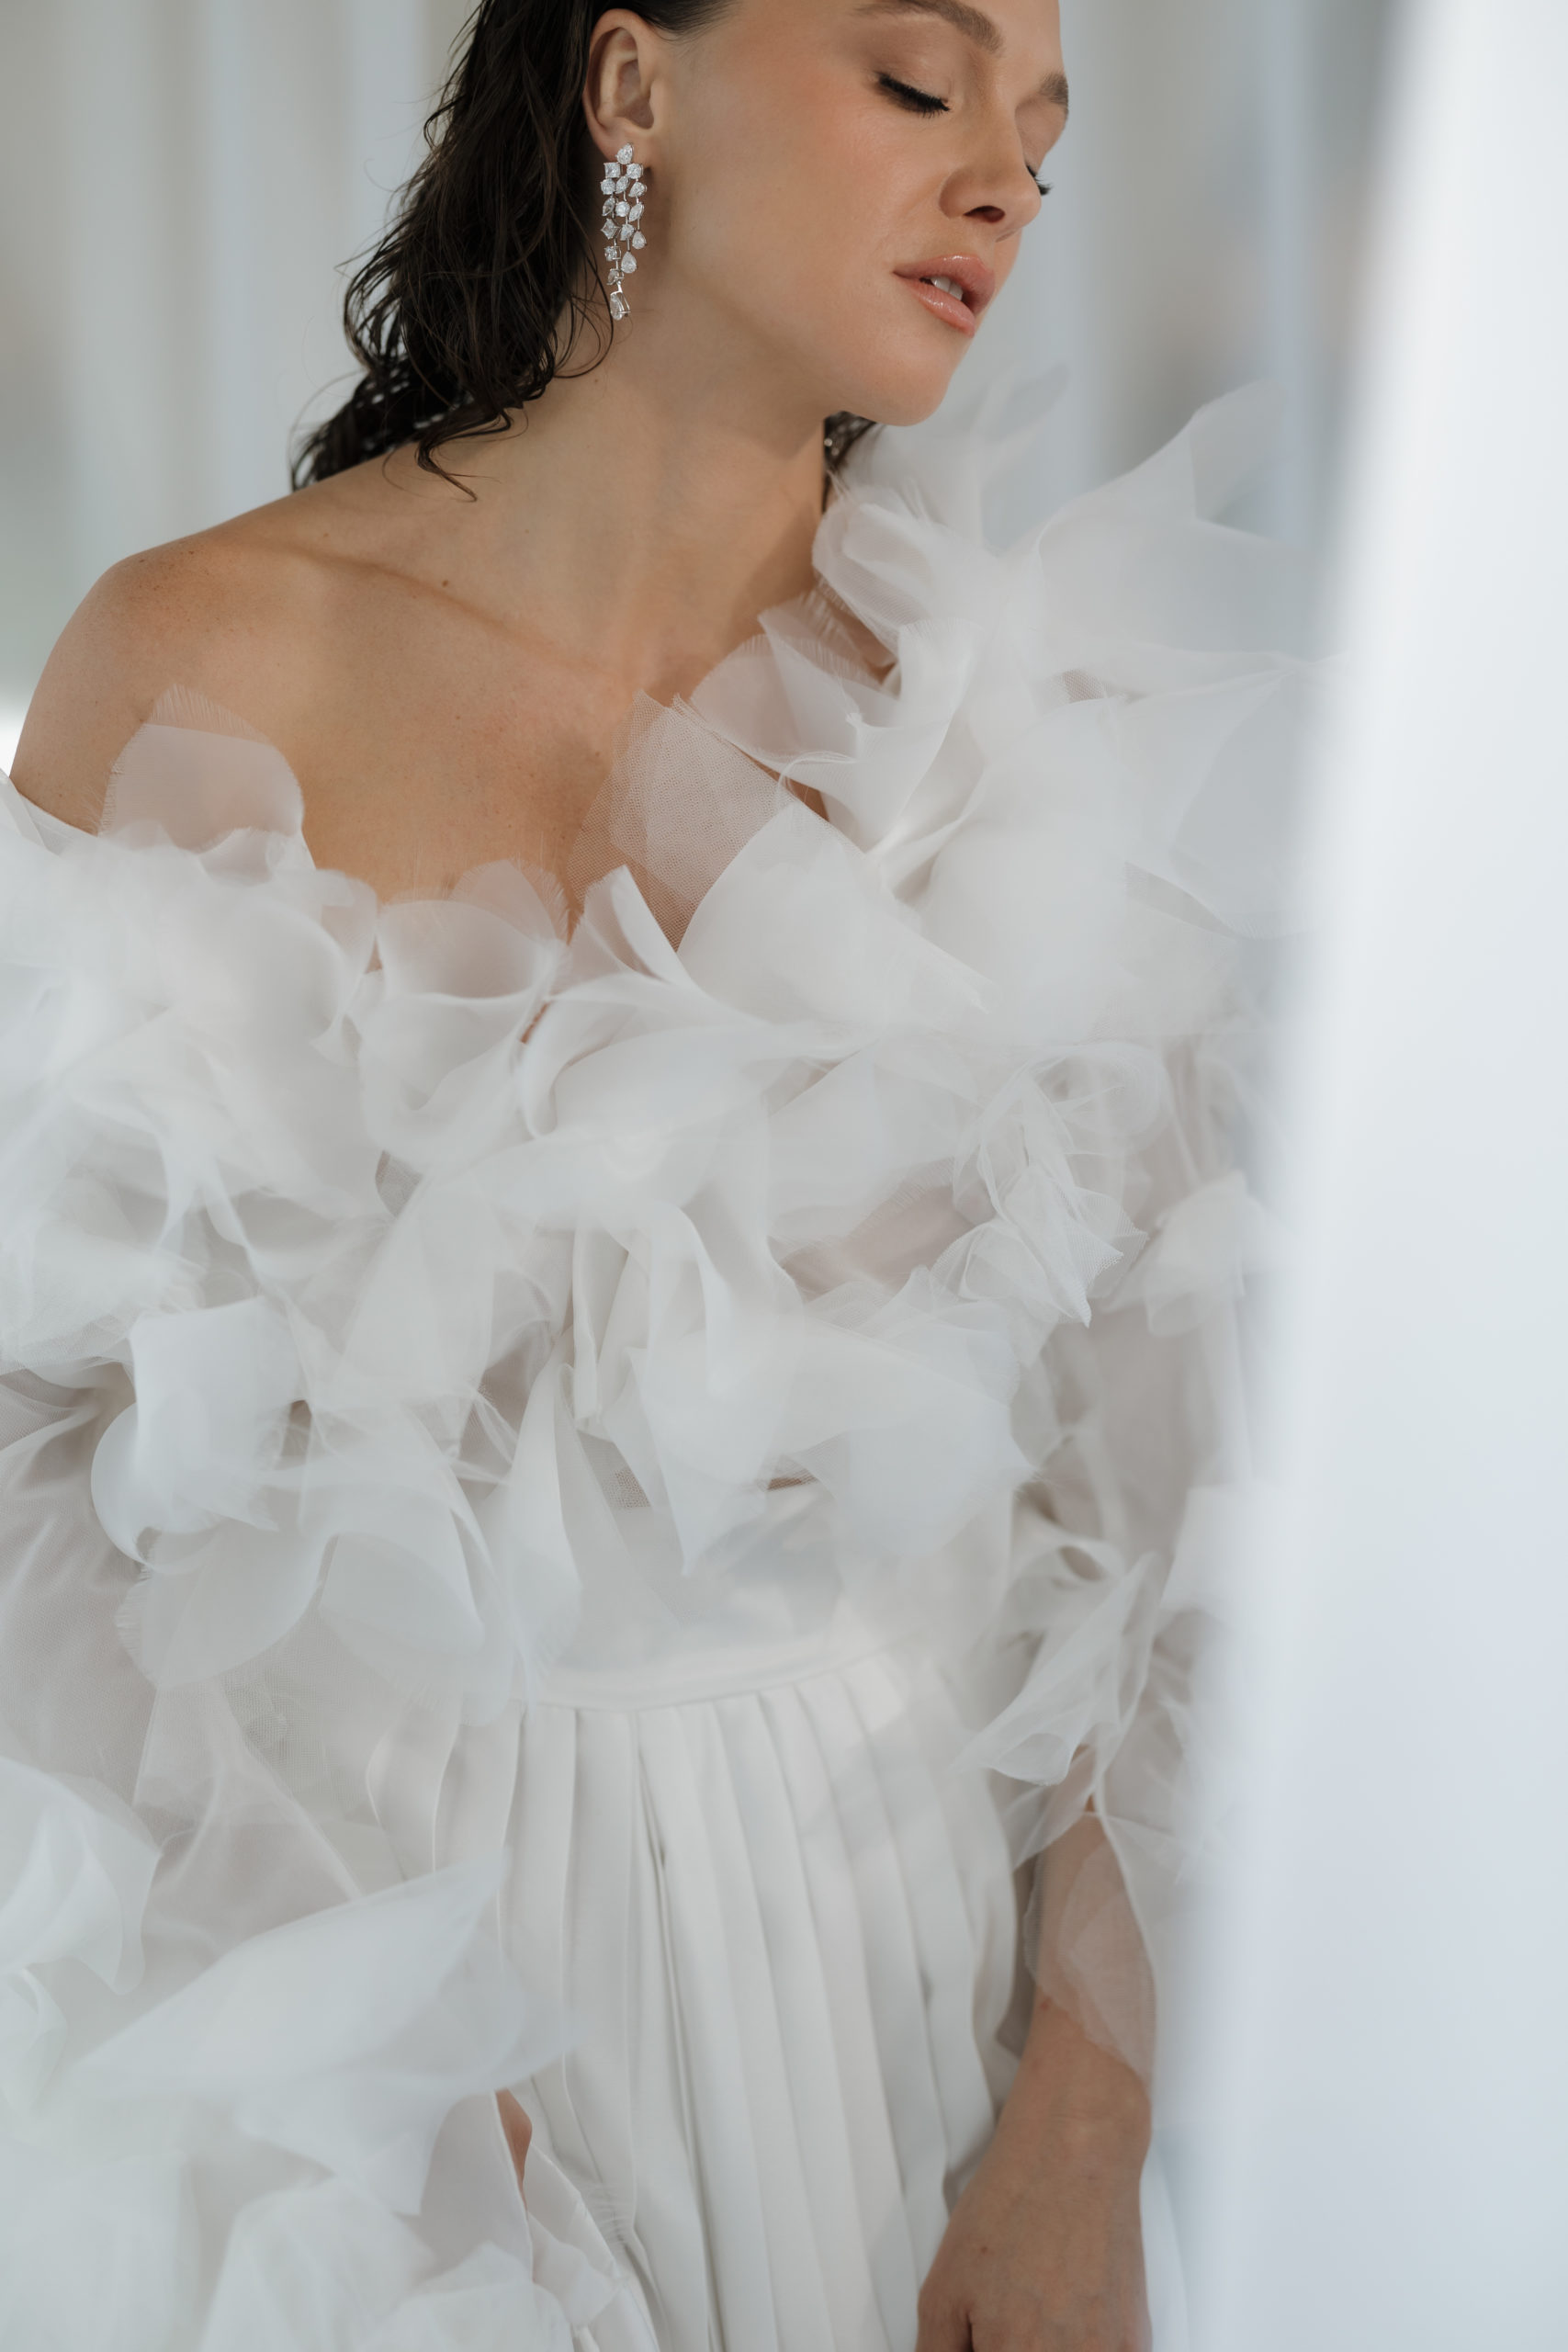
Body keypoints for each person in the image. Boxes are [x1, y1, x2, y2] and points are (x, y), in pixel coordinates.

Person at [0, 3, 1308, 2346]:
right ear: (626, 86)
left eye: (1039, 131)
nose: (999, 179)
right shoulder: (199, 661)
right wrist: (371, 2067)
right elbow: (41, 1478)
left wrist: (1080, 2138)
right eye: (913, 79)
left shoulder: (1038, 740)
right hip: (331, 1993)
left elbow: (1178, 1517)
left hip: (898, 2030)